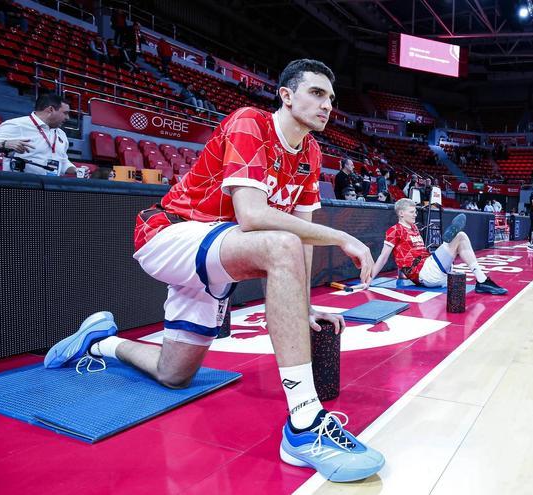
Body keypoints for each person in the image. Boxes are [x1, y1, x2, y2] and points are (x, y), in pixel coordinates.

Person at [42, 59, 386, 481]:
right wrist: (342, 237)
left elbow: (304, 236)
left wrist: (304, 307)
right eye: (316, 93)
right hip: (170, 232)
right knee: (280, 242)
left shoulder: (311, 153)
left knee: (174, 374)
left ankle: (100, 343)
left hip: (213, 252)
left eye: (331, 98)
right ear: (286, 95)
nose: (326, 105)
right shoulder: (251, 122)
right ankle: (304, 422)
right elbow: (253, 216)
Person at [368, 199, 507, 294]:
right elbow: (383, 257)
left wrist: (402, 276)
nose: (415, 214)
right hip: (426, 273)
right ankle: (481, 280)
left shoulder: (414, 228)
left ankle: (481, 279)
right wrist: (369, 280)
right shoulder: (394, 230)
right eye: (412, 212)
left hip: (432, 271)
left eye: (416, 212)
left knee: (461, 238)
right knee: (460, 236)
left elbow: (404, 256)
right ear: (401, 213)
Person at [0, 94, 76, 176]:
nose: (67, 118)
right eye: (65, 113)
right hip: (21, 186)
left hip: (50, 187)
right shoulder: (17, 125)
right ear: (50, 109)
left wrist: (76, 170)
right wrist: (4, 144)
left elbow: (62, 161)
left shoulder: (61, 134)